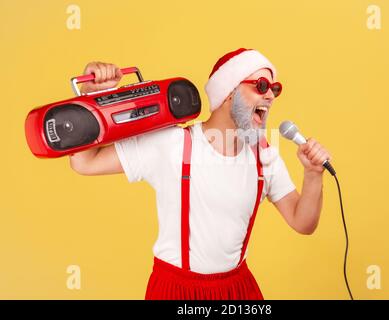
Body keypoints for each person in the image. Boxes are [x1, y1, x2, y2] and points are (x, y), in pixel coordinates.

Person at [69, 48, 332, 300]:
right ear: (228, 92)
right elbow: (85, 162)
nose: (271, 96)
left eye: (274, 89)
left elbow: (303, 222)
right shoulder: (170, 143)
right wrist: (91, 95)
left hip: (237, 289)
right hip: (175, 289)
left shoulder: (264, 155)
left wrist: (312, 175)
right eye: (261, 86)